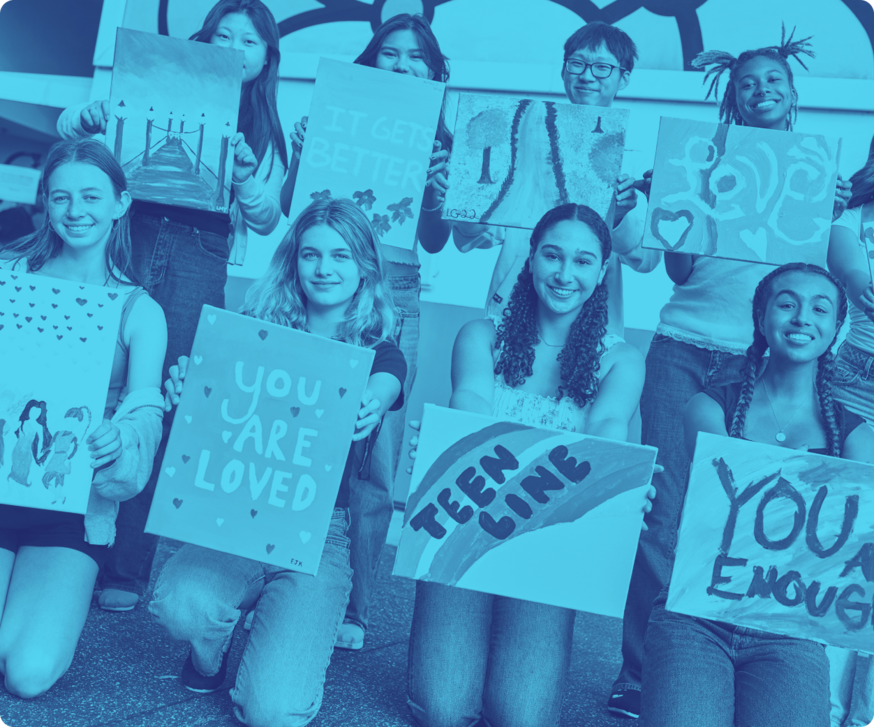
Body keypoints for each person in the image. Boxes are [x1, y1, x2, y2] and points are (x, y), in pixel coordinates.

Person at [608, 27, 854, 718]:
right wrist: (673, 209)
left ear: (793, 94)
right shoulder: (700, 162)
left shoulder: (815, 178)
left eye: (773, 79)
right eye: (748, 81)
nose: (761, 89)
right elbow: (681, 270)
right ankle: (643, 671)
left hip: (764, 364)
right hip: (685, 345)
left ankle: (760, 647)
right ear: (732, 96)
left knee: (755, 516)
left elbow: (821, 281)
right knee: (666, 511)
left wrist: (831, 214)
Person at [56, 0, 288, 612]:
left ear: (266, 59)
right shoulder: (146, 85)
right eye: (223, 34)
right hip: (127, 236)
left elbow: (267, 220)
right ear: (203, 41)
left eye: (250, 40)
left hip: (199, 253)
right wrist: (90, 113)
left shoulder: (264, 125)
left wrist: (242, 174)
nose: (236, 46)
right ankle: (64, 532)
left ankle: (127, 568)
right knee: (90, 377)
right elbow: (67, 131)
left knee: (163, 399)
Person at [149, 197, 405, 727]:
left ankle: (276, 622)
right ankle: (208, 655)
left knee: (274, 711)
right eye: (311, 254)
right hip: (238, 515)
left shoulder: (379, 350)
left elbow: (387, 383)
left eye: (340, 255)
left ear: (364, 267)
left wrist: (373, 399)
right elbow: (205, 398)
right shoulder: (249, 329)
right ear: (294, 261)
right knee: (182, 605)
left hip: (317, 535)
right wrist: (185, 385)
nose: (324, 268)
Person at [405, 203, 655, 727]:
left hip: (548, 550)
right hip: (466, 538)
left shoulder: (621, 359)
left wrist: (623, 478)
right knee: (443, 709)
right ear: (531, 260)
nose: (566, 275)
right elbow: (470, 407)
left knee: (524, 716)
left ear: (603, 270)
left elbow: (608, 431)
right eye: (553, 256)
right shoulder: (481, 336)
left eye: (583, 261)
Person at [279, 12, 452, 651]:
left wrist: (437, 190)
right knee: (295, 424)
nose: (402, 65)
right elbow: (300, 213)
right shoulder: (336, 114)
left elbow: (437, 238)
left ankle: (357, 604)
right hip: (320, 282)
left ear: (435, 74)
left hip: (395, 289)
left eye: (416, 58)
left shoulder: (439, 144)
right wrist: (302, 154)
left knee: (376, 455)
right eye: (389, 54)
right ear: (369, 62)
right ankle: (276, 563)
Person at [641, 262, 874, 727]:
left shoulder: (855, 437)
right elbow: (722, 489)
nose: (802, 317)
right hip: (697, 613)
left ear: (835, 329)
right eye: (787, 304)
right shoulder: (709, 407)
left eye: (819, 308)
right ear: (762, 318)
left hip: (790, 626)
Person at [0, 138, 166, 698]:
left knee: (26, 673)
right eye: (61, 197)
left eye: (92, 197)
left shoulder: (140, 310)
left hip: (70, 508)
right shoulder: (7, 277)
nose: (76, 211)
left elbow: (146, 407)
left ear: (121, 203)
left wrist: (119, 436)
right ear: (45, 202)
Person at [452, 21, 660, 338]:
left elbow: (647, 259)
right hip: (514, 306)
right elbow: (471, 237)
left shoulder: (634, 157)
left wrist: (619, 218)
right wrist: (468, 198)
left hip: (589, 317)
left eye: (602, 67)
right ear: (564, 70)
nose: (587, 75)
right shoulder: (520, 137)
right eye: (577, 64)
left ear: (624, 77)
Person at [825, 134, 874, 727]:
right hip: (851, 387)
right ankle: (823, 708)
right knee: (838, 549)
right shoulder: (851, 219)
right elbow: (859, 284)